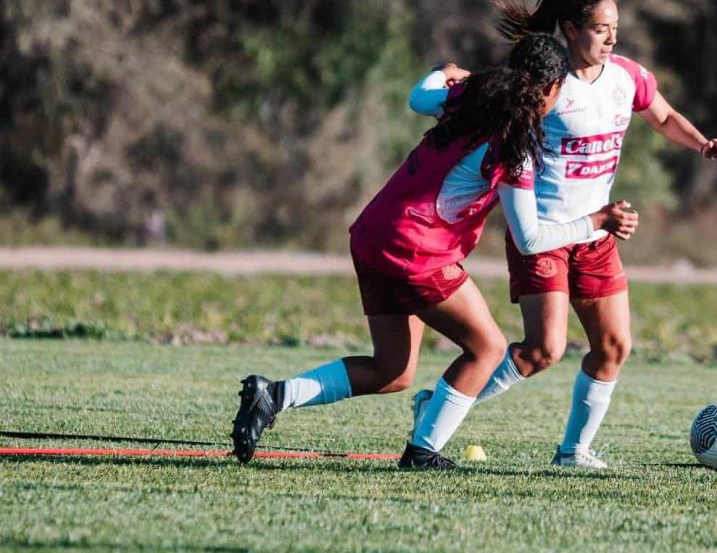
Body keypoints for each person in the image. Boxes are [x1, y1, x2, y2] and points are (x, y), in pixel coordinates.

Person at [230, 33, 638, 470]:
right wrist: (598, 222)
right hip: (415, 249)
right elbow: (530, 240)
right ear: (553, 89)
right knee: (487, 348)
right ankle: (423, 452)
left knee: (393, 370)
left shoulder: (470, 97)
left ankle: (272, 395)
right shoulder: (514, 145)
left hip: (373, 234)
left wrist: (443, 72)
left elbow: (419, 97)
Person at [410, 0, 717, 469]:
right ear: (569, 29)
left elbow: (663, 116)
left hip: (596, 235)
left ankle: (574, 451)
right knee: (544, 350)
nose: (611, 39)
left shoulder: (627, 77)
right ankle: (440, 404)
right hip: (542, 234)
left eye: (616, 29)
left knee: (614, 346)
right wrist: (450, 80)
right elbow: (484, 95)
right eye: (601, 29)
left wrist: (702, 142)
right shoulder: (546, 85)